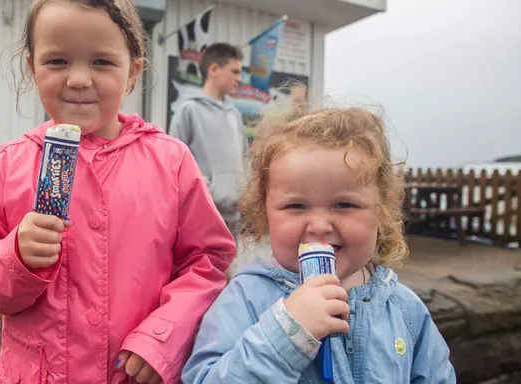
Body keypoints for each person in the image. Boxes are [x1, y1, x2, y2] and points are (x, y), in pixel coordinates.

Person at [0, 1, 235, 383]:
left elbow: (207, 262)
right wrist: (15, 256)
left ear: (133, 72)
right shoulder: (8, 164)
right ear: (32, 68)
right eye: (58, 62)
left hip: (134, 372)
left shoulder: (172, 162)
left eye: (102, 62)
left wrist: (165, 336)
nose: (80, 79)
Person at [182, 106, 457, 383]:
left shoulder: (404, 309)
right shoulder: (245, 298)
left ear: (382, 210)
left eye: (344, 204)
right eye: (296, 206)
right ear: (265, 213)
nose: (319, 225)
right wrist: (287, 333)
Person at [168, 43, 247, 242]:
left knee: (229, 272)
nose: (239, 78)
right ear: (214, 70)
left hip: (233, 215)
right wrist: (209, 191)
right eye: (235, 71)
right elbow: (173, 164)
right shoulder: (188, 110)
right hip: (202, 217)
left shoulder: (234, 114)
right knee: (207, 271)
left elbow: (244, 158)